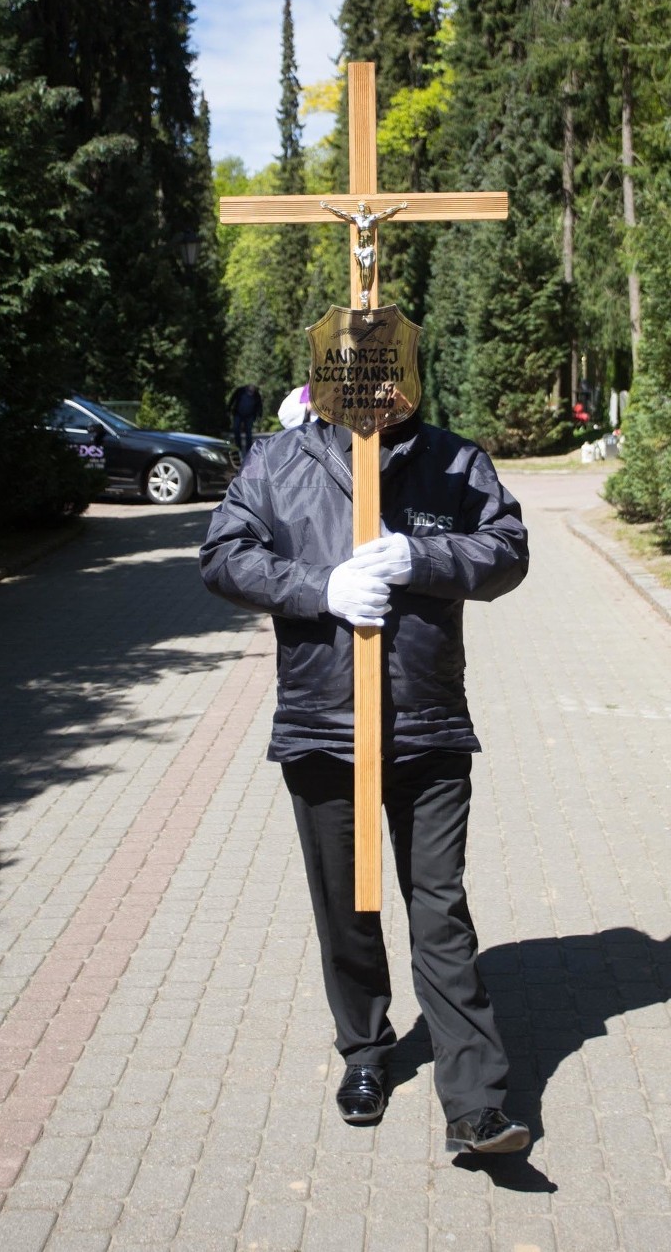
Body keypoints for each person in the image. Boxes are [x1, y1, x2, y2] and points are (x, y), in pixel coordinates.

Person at [199, 411, 531, 1154]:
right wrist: (321, 587)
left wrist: (425, 558)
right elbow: (222, 556)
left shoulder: (451, 461)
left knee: (440, 911)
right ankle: (366, 1053)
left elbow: (508, 550)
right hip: (323, 728)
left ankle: (474, 1099)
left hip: (428, 725)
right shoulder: (279, 462)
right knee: (347, 907)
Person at [228, 383, 263, 456]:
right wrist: (228, 409)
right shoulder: (240, 391)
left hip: (250, 415)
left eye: (253, 390)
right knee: (236, 429)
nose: (251, 392)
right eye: (250, 390)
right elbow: (232, 399)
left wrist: (259, 415)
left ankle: (249, 449)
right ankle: (238, 447)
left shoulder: (256, 394)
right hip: (238, 413)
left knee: (248, 432)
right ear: (247, 388)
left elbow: (259, 405)